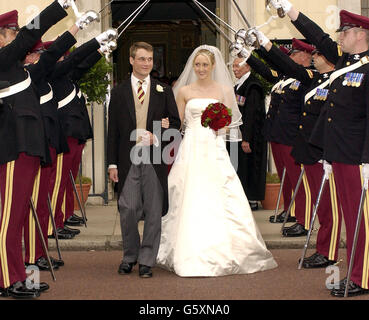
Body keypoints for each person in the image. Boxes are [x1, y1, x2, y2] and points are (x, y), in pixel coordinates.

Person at [268, 0, 369, 297]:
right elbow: (317, 37)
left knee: (361, 220)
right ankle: (355, 272)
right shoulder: (346, 65)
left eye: (345, 31)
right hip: (339, 156)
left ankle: (363, 277)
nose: (339, 36)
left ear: (361, 33)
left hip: (357, 160)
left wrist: (367, 161)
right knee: (352, 219)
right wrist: (290, 10)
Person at [156, 45, 277, 277]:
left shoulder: (224, 90)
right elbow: (177, 123)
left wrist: (220, 126)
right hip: (191, 147)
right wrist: (164, 125)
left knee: (220, 192)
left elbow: (233, 122)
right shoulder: (184, 91)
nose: (201, 68)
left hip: (215, 147)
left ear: (213, 66)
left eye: (205, 65)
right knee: (187, 192)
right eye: (197, 64)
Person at [0, 0, 73, 299]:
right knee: (8, 218)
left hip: (28, 147)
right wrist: (57, 6)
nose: (17, 37)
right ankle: (6, 279)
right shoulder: (3, 60)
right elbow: (32, 36)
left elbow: (52, 56)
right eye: (11, 32)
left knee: (17, 217)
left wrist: (77, 31)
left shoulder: (18, 68)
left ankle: (18, 275)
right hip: (14, 148)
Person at [254, 30, 342, 268]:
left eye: (318, 54)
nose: (315, 57)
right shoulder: (315, 79)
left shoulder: (335, 79)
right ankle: (323, 248)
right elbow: (282, 65)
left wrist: (264, 45)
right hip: (309, 148)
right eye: (312, 53)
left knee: (327, 203)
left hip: (324, 151)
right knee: (321, 204)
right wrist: (260, 47)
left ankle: (329, 250)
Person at [107, 42, 181, 278]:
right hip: (126, 159)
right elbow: (112, 133)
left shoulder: (164, 90)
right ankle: (130, 256)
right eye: (142, 59)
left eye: (149, 59)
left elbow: (176, 124)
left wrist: (157, 135)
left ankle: (147, 260)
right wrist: (111, 164)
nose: (146, 63)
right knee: (127, 208)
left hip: (154, 159)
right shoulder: (118, 92)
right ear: (131, 60)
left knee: (153, 210)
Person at [232, 57, 267, 210]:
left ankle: (251, 198)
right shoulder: (239, 85)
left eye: (236, 66)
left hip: (251, 135)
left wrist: (246, 139)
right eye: (232, 66)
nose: (234, 69)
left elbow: (251, 113)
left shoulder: (253, 86)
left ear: (247, 66)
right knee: (242, 166)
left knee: (251, 166)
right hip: (240, 134)